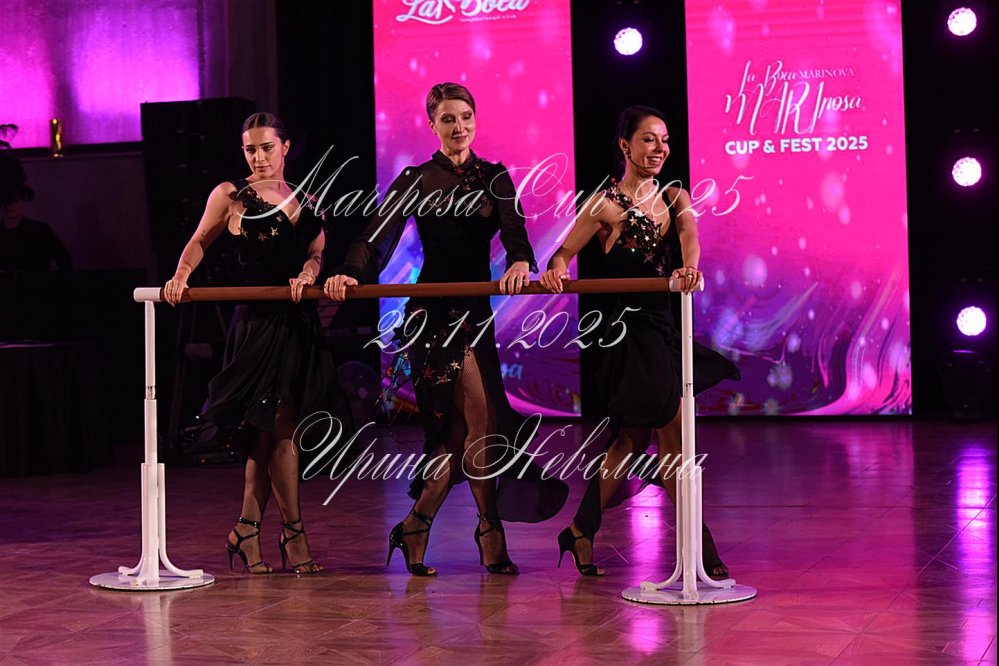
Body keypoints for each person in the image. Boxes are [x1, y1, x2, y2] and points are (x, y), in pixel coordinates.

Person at [325, 82, 567, 576]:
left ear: (476, 119)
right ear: (432, 124)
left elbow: (514, 230)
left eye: (466, 117)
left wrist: (520, 260)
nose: (459, 127)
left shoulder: (495, 176)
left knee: (458, 434)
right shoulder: (416, 178)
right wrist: (350, 271)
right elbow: (375, 237)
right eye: (449, 119)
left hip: (476, 312)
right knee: (481, 422)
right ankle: (488, 530)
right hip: (432, 316)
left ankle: (416, 525)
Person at [540, 105, 740, 577]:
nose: (660, 148)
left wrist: (689, 267)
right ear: (625, 146)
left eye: (665, 140)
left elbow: (689, 235)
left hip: (664, 330)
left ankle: (581, 530)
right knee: (672, 441)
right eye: (649, 139)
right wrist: (555, 271)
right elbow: (561, 254)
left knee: (631, 439)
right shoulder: (603, 205)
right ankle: (702, 551)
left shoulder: (675, 196)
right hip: (628, 336)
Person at [164, 112, 350, 574]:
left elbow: (316, 252)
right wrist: (181, 275)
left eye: (267, 147)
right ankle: (294, 535)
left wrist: (309, 272)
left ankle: (247, 531)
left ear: (286, 147)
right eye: (251, 149)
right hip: (257, 327)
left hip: (299, 326)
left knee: (266, 435)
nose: (259, 157)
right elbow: (198, 241)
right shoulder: (231, 194)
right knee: (275, 430)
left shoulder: (307, 197)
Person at [0, 152, 72, 272]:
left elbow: (65, 261)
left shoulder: (40, 232)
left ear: (23, 199)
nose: (11, 205)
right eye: (7, 200)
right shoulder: (39, 231)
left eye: (16, 199)